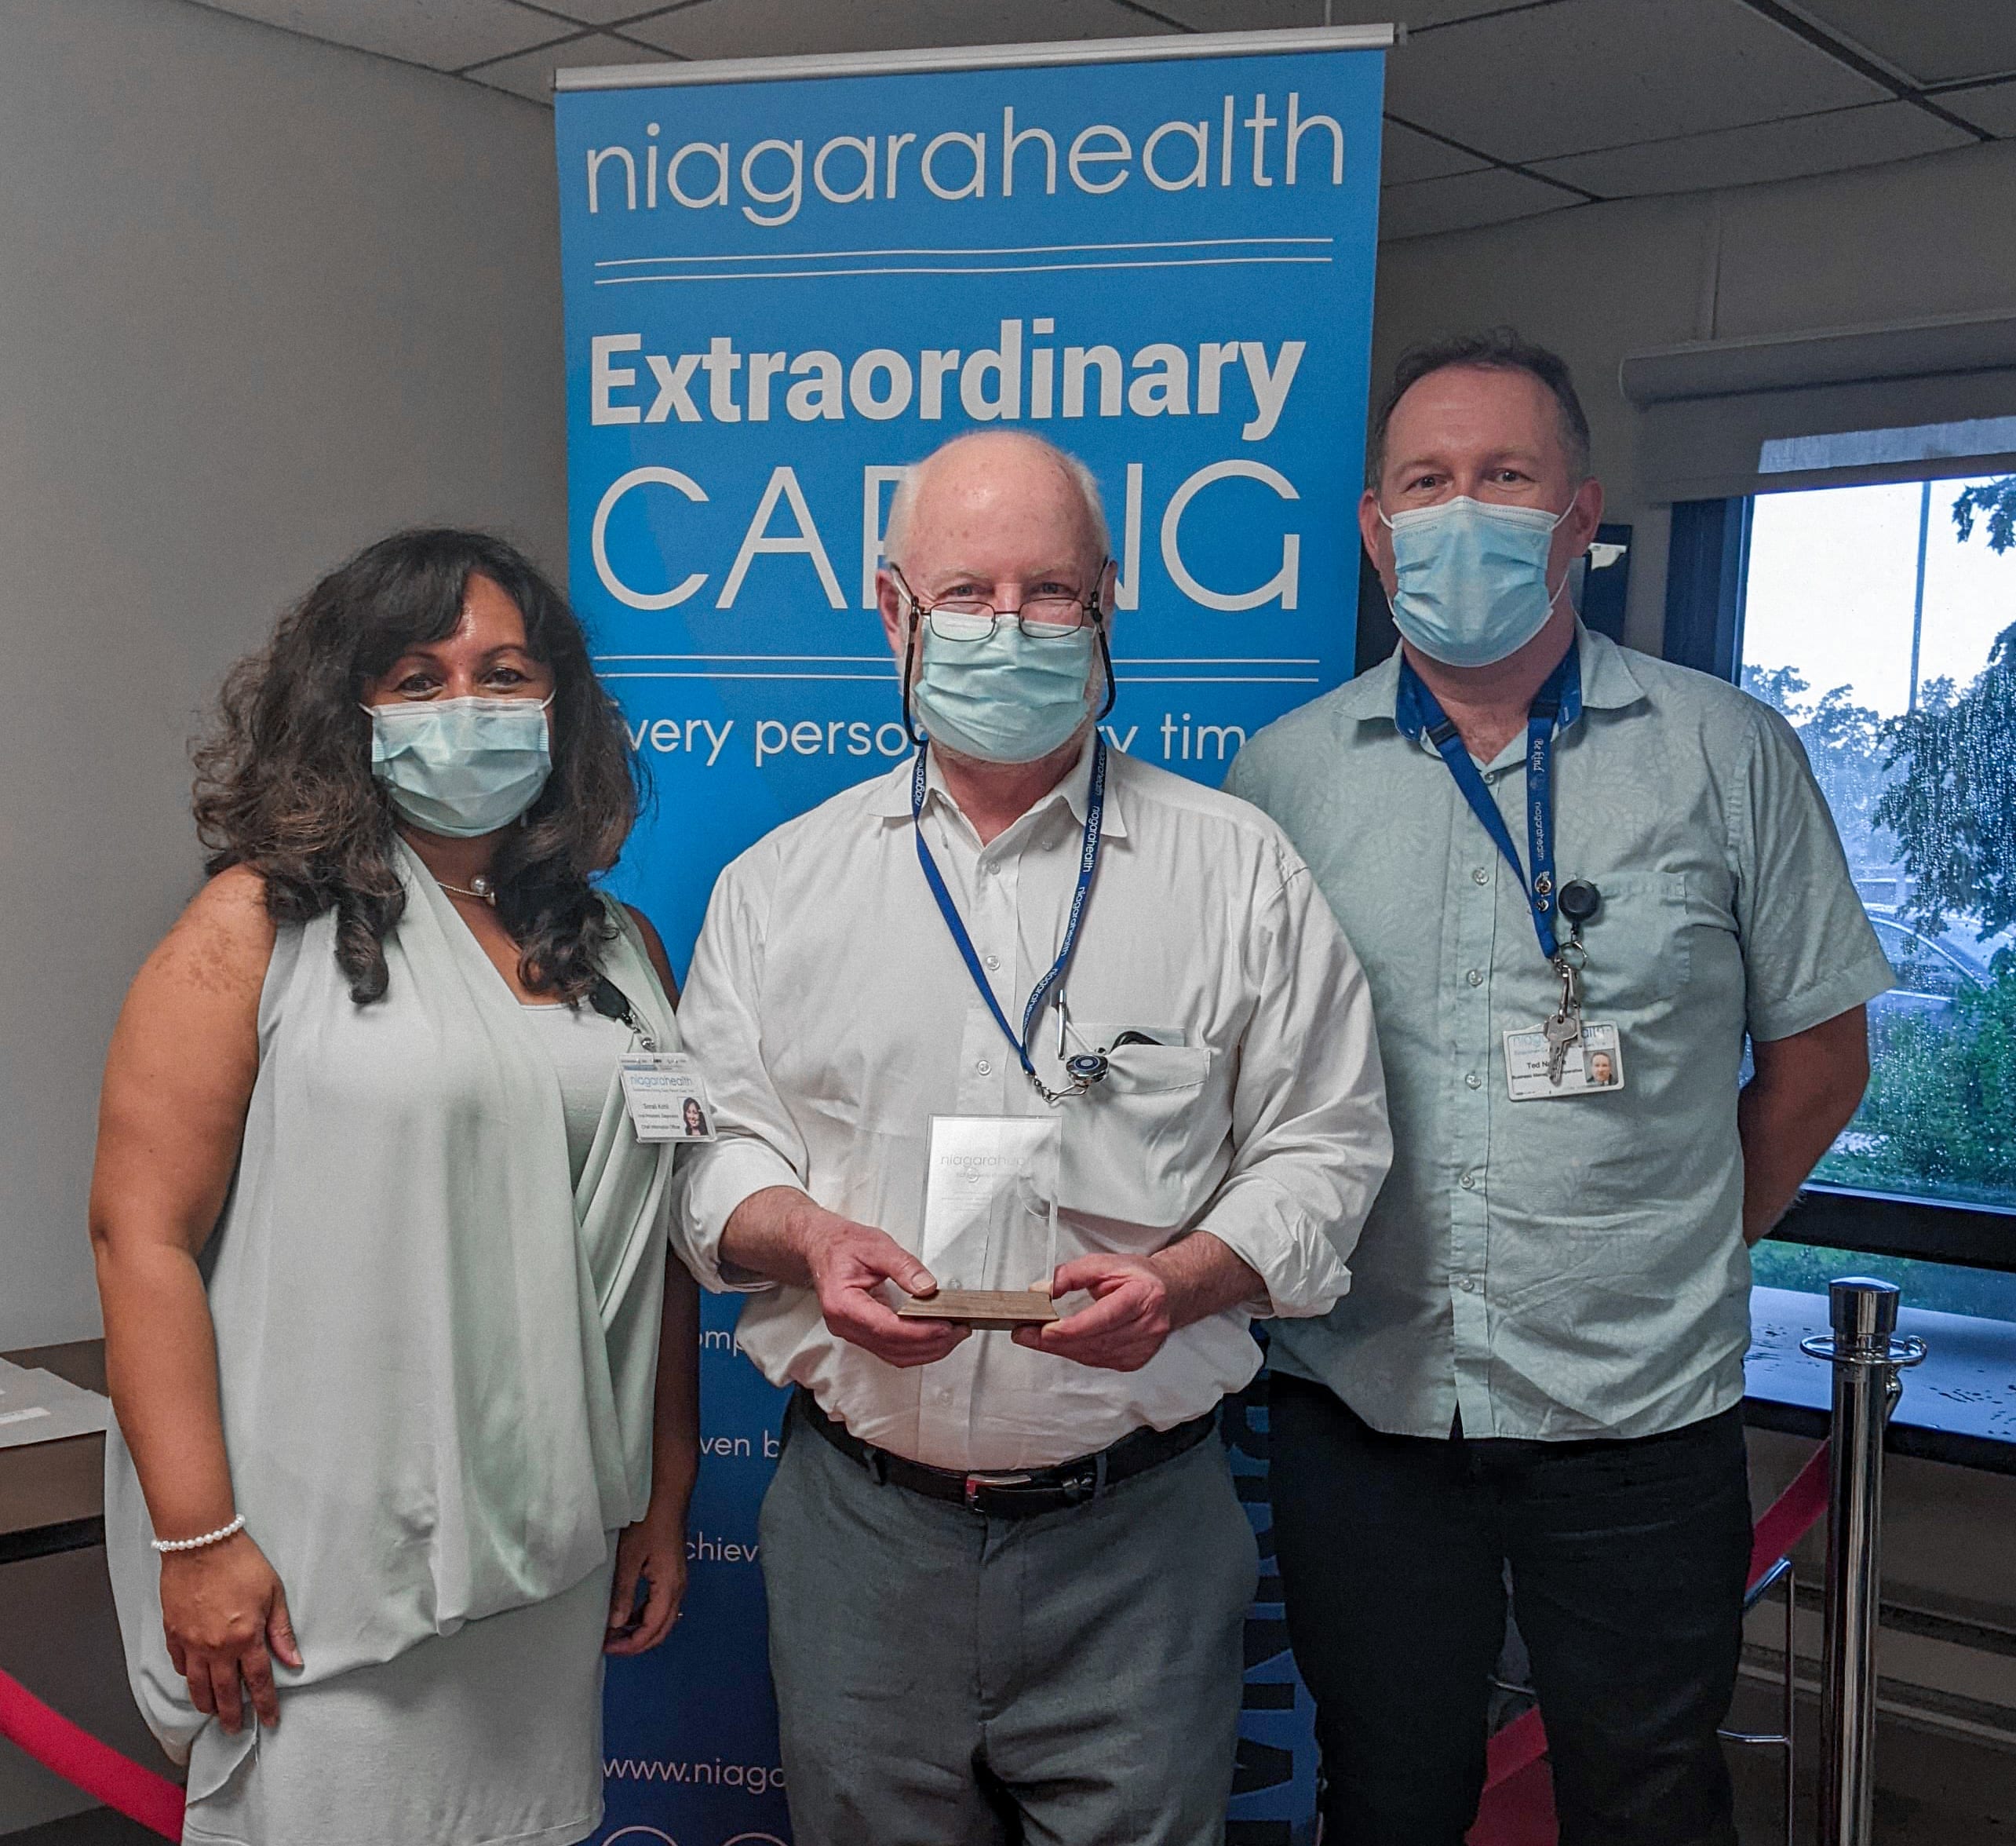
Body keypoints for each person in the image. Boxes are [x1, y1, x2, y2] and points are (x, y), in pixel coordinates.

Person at [672, 429, 1391, 1846]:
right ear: (893, 610)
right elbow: (712, 1158)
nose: (1008, 629)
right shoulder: (778, 891)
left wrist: (1187, 1279)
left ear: (1106, 603)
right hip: (862, 1535)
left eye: (1049, 592)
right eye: (967, 593)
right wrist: (807, 1238)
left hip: (1139, 1537)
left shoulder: (1236, 871)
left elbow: (1326, 1145)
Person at [1225, 330, 1894, 1846]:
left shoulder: (1725, 754)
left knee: (1650, 1798)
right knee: (1387, 1799)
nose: (1462, 510)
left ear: (1579, 515)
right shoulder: (1282, 783)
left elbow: (1818, 1059)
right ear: (1375, 531)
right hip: (1365, 1403)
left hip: (1639, 1419)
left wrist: (1674, 1240)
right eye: (1426, 482)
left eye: (1503, 477)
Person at [90, 530, 702, 1846]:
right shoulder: (253, 929)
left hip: (548, 1551)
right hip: (319, 1570)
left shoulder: (616, 948)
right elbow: (139, 1235)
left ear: (561, 704)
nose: (466, 708)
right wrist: (198, 1543)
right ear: (344, 710)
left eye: (505, 673)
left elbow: (649, 1253)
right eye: (418, 679)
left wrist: (663, 1493)